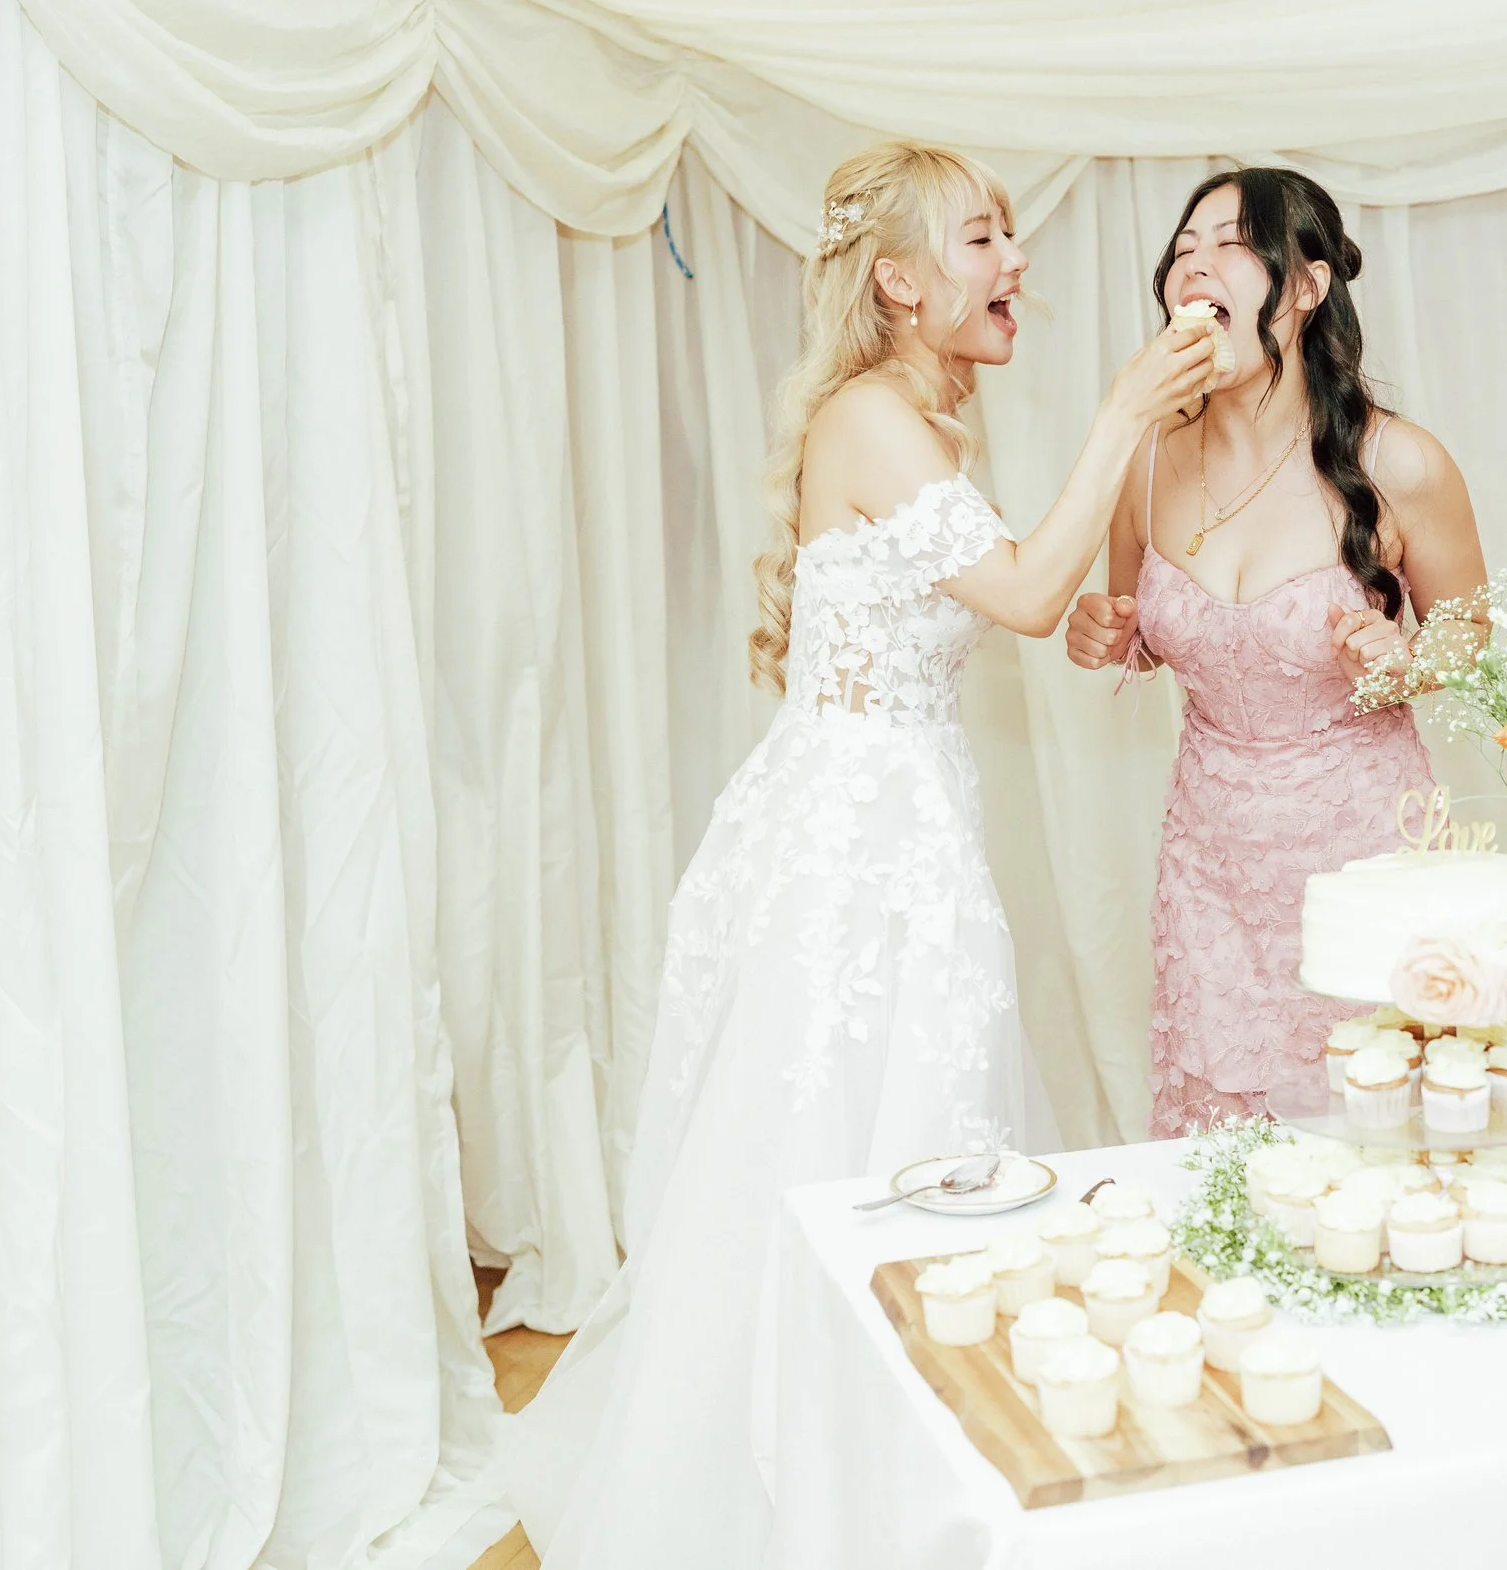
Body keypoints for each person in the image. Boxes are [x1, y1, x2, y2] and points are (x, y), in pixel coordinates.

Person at [502, 140, 1216, 1566]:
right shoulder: (875, 419)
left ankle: (898, 1467)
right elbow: (1017, 592)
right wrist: (1127, 412)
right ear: (896, 280)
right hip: (852, 847)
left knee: (920, 1134)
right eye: (980, 239)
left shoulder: (929, 428)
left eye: (1013, 234)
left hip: (911, 818)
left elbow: (1009, 597)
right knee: (827, 1137)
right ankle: (785, 1490)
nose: (1016, 262)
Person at [1065, 168, 1486, 1137]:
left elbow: (1468, 634)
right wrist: (1108, 635)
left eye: (1230, 241)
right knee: (1224, 1129)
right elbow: (1133, 625)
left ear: (1303, 287)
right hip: (1209, 853)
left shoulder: (1399, 462)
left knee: (1374, 1123)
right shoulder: (1145, 459)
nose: (1194, 261)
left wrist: (1403, 658)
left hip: (1362, 845)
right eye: (1182, 246)